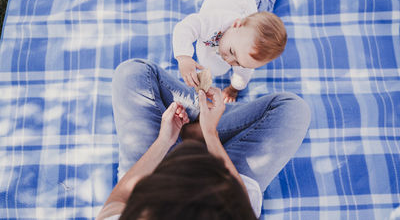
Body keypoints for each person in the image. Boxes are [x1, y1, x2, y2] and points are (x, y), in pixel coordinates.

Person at [96, 59, 311, 219]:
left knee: (133, 73)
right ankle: (198, 130)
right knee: (292, 110)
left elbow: (114, 203)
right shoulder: (233, 209)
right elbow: (239, 196)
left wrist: (164, 141)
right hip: (225, 177)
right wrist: (210, 134)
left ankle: (191, 129)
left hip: (154, 166)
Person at [173, 0, 287, 103]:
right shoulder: (214, 20)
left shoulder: (244, 53)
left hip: (244, 3)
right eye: (232, 51)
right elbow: (185, 27)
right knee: (266, 1)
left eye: (239, 63)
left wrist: (234, 89)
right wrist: (184, 57)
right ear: (236, 25)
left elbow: (243, 74)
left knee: (264, 9)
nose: (229, 61)